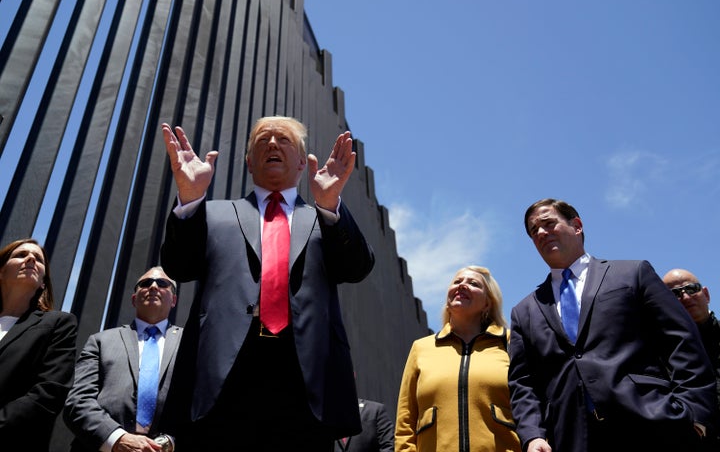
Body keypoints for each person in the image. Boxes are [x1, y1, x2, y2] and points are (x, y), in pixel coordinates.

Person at [159, 116, 375, 450]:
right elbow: (179, 266)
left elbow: (356, 268)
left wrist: (330, 204)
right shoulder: (213, 214)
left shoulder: (324, 218)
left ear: (303, 161)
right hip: (222, 380)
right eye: (262, 140)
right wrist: (189, 196)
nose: (272, 144)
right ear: (249, 162)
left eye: (283, 139)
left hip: (306, 386)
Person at [508, 198, 718, 452]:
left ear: (577, 225)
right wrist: (532, 435)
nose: (541, 232)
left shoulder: (632, 274)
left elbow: (682, 341)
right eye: (534, 231)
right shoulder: (524, 311)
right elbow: (523, 383)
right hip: (570, 438)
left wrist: (694, 415)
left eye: (548, 223)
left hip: (653, 427)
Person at [395, 265, 521, 452]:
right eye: (457, 282)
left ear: (488, 303)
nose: (462, 285)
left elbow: (532, 408)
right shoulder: (421, 348)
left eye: (473, 284)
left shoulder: (511, 343)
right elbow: (405, 421)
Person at [63, 266, 182, 452]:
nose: (153, 286)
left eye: (162, 283)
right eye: (145, 283)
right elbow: (77, 400)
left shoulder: (192, 343)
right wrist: (117, 438)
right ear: (134, 299)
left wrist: (169, 442)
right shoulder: (101, 340)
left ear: (173, 300)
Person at [0, 238, 78, 451]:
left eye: (39, 259)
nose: (31, 258)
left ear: (43, 282)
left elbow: (48, 393)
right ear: (1, 271)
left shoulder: (59, 324)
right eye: (20, 255)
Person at [662, 268, 720, 449]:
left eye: (691, 289)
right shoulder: (658, 356)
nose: (686, 297)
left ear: (706, 295)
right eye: (675, 294)